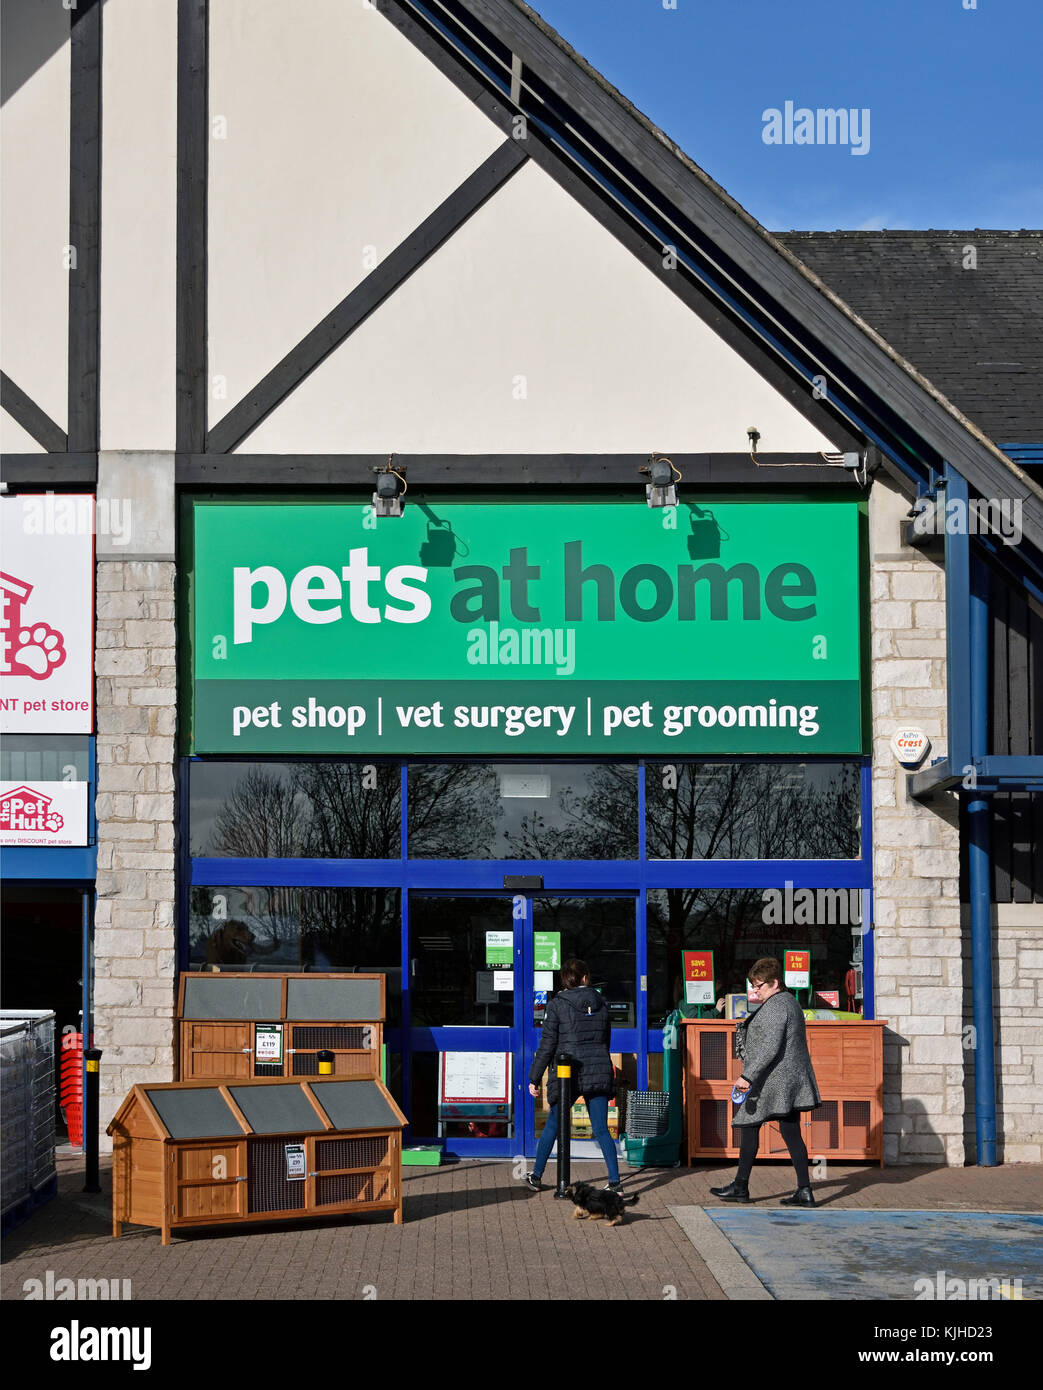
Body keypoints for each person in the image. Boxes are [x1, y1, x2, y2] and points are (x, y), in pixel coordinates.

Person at [710, 956, 821, 1207]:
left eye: (758, 985)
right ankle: (804, 1190)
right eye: (753, 985)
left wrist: (747, 1076)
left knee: (752, 1126)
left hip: (774, 1080)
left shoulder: (777, 1005)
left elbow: (769, 1047)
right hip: (785, 1080)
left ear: (774, 983)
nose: (755, 990)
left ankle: (741, 1187)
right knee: (790, 1132)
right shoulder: (788, 1002)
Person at [525, 958, 621, 1192]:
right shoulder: (601, 1002)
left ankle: (536, 1176)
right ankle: (615, 1183)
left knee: (553, 1125)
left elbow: (548, 1044)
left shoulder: (557, 1004)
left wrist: (534, 1077)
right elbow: (605, 1039)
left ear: (566, 981)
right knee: (600, 1128)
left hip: (569, 1073)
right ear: (586, 978)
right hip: (597, 1069)